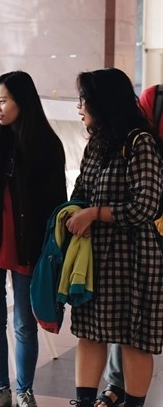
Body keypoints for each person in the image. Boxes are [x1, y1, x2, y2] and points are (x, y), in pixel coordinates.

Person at [66, 68, 163, 407]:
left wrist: (94, 214)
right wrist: (71, 211)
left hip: (134, 258)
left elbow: (146, 206)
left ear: (102, 102)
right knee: (89, 334)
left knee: (134, 340)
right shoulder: (97, 144)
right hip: (95, 258)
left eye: (84, 99)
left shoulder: (140, 142)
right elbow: (81, 191)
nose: (79, 106)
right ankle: (83, 402)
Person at [0, 71, 67, 407]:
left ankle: (24, 389)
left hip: (29, 249)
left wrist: (51, 250)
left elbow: (57, 203)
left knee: (25, 324)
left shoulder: (46, 145)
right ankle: (1, 388)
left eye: (4, 100)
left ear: (22, 101)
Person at [96, 82, 163, 407]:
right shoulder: (155, 96)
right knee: (130, 318)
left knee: (140, 322)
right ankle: (115, 384)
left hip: (146, 212)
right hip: (152, 218)